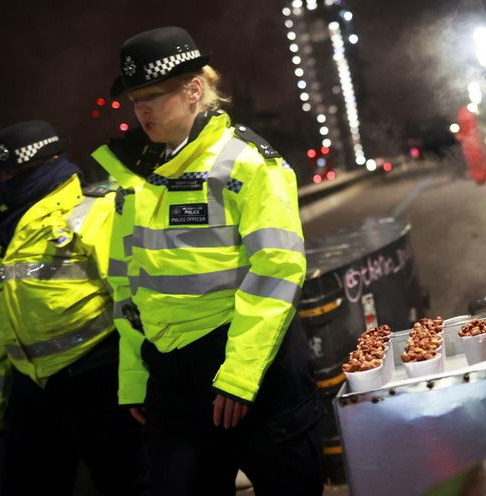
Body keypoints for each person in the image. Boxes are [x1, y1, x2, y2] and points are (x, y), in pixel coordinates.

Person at [91, 26, 323, 495]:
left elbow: (277, 269)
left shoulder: (249, 162)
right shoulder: (137, 179)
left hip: (251, 368)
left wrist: (239, 376)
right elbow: (129, 287)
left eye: (153, 96)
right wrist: (136, 377)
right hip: (172, 378)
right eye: (136, 100)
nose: (142, 111)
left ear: (195, 90)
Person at [0, 120, 147, 495]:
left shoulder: (92, 212)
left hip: (98, 375)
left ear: (52, 161)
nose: (11, 180)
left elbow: (132, 301)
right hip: (30, 389)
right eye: (7, 174)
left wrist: (140, 384)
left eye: (20, 172)